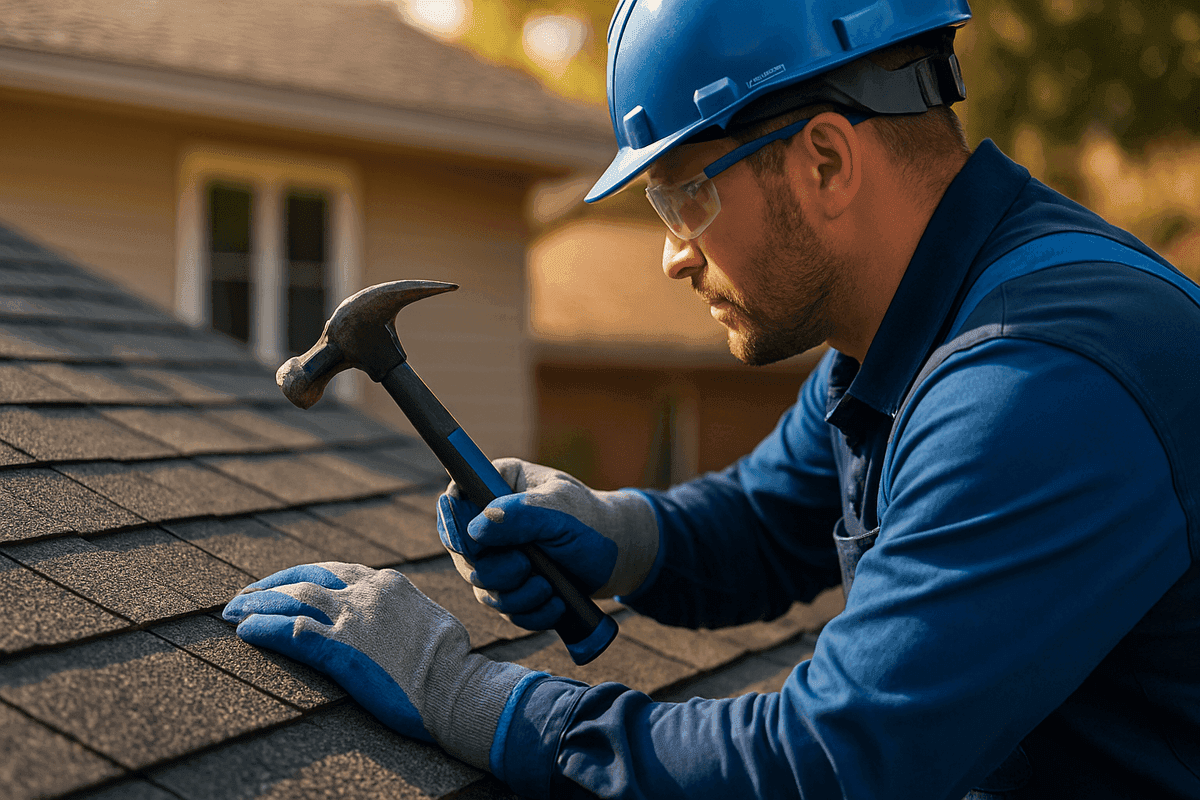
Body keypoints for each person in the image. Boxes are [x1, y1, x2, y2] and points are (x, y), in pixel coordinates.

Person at [222, 0, 1200, 796]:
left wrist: (459, 691)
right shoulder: (921, 322)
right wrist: (613, 528)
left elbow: (827, 765)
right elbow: (770, 516)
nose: (672, 252)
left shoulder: (1036, 379)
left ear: (825, 160)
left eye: (687, 193)